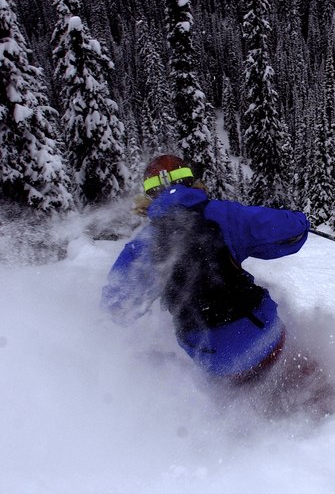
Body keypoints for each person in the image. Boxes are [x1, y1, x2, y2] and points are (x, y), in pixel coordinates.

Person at [102, 154, 310, 385]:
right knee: (276, 339)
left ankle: (236, 399)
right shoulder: (224, 215)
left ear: (150, 195)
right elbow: (292, 230)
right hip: (260, 335)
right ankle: (306, 386)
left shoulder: (143, 244)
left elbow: (117, 307)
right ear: (191, 181)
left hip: (208, 357)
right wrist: (301, 220)